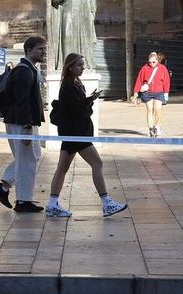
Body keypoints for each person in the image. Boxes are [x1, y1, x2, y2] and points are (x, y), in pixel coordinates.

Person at [44, 52, 129, 219]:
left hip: (72, 134)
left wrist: (90, 98)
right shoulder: (69, 85)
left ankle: (52, 204)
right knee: (97, 163)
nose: (82, 67)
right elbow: (77, 111)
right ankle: (106, 203)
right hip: (77, 134)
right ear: (70, 67)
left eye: (82, 65)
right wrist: (88, 104)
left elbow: (76, 106)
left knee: (62, 168)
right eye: (79, 65)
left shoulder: (73, 83)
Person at [0, 35, 47, 214]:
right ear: (29, 50)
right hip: (21, 122)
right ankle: (23, 201)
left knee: (33, 155)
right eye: (40, 49)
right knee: (27, 160)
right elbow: (22, 101)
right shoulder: (24, 71)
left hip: (22, 121)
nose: (43, 52)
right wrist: (27, 127)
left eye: (44, 48)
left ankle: (4, 187)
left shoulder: (28, 69)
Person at [132, 51, 172, 137]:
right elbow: (139, 80)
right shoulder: (144, 68)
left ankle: (157, 126)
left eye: (154, 62)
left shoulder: (162, 68)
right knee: (150, 110)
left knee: (158, 109)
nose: (152, 64)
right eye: (150, 62)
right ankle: (150, 128)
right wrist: (135, 92)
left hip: (159, 92)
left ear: (157, 60)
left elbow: (166, 81)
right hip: (147, 93)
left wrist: (166, 92)